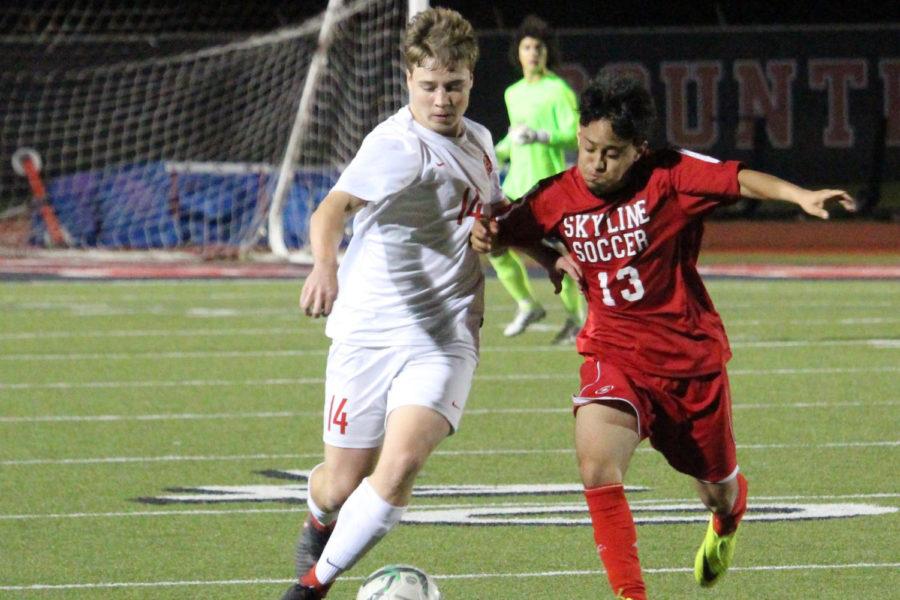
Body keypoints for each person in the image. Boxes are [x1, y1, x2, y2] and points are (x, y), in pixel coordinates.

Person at [471, 73, 856, 599]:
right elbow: (505, 230)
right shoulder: (557, 194)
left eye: (612, 152)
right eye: (588, 148)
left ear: (639, 151)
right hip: (613, 354)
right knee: (596, 464)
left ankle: (727, 516)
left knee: (716, 492)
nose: (596, 163)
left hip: (688, 364)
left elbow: (737, 178)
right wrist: (502, 239)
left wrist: (799, 195)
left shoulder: (669, 175)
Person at [281, 8, 538, 600]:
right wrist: (326, 265)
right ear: (409, 82)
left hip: (445, 332)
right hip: (368, 332)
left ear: (472, 80)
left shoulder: (477, 140)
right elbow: (331, 209)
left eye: (454, 85)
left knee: (399, 468)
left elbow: (491, 215)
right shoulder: (395, 146)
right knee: (340, 486)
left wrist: (546, 255)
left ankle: (311, 587)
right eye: (429, 86)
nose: (442, 99)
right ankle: (319, 518)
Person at [491, 15, 584, 343]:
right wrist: (494, 151)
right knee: (494, 244)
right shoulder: (512, 93)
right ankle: (527, 304)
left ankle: (577, 320)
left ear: (547, 53)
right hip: (516, 186)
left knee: (561, 256)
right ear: (518, 52)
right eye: (527, 46)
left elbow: (575, 135)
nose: (532, 53)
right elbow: (514, 138)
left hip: (550, 187)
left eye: (538, 47)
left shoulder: (558, 91)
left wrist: (542, 136)